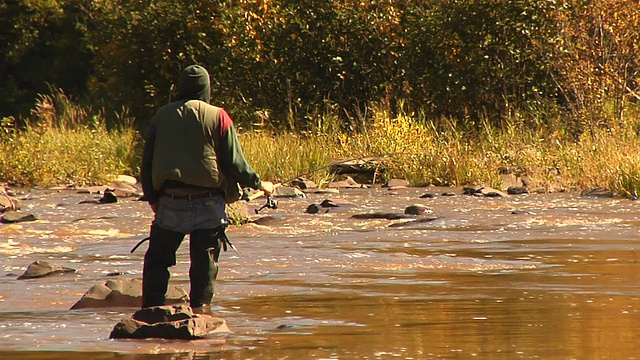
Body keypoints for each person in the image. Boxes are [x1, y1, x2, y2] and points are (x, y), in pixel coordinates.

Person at [139, 64, 274, 311]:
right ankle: (201, 313)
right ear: (206, 89)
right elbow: (235, 163)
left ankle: (151, 311)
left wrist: (153, 199)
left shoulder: (162, 116)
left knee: (158, 260)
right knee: (204, 265)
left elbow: (146, 163)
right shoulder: (219, 116)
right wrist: (259, 184)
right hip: (209, 202)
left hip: (170, 200)